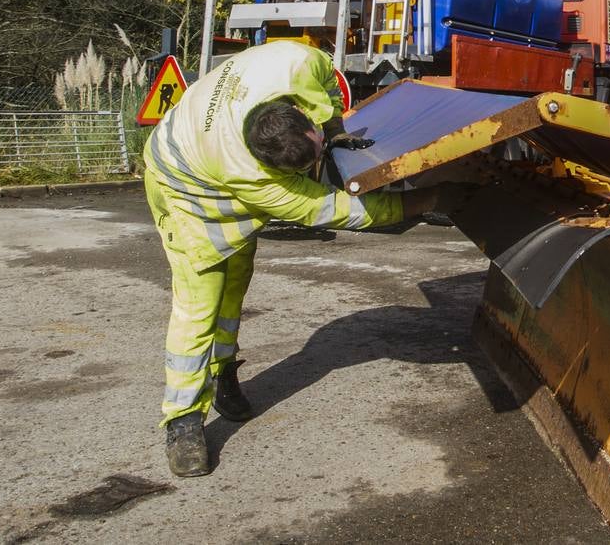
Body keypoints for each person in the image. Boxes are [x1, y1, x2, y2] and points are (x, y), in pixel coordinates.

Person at [142, 40, 467, 477]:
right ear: (273, 168)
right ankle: (182, 421)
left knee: (235, 280)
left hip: (207, 141)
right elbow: (337, 211)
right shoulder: (257, 181)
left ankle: (223, 376)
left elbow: (328, 87)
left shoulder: (294, 62)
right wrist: (428, 200)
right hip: (186, 187)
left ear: (299, 114)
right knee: (200, 301)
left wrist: (333, 131)